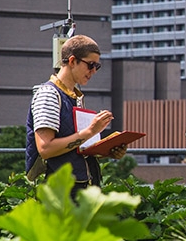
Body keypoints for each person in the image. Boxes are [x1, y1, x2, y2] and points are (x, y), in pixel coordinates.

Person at [25, 34, 126, 197]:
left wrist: (106, 150)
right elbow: (45, 148)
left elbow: (75, 148)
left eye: (97, 67)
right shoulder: (48, 94)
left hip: (81, 190)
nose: (93, 71)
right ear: (72, 61)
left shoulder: (74, 97)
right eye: (90, 65)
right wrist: (90, 131)